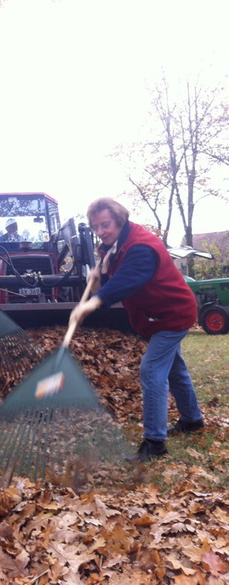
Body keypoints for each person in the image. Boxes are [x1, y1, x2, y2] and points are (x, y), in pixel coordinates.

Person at [70, 197, 204, 462]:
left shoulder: (142, 246)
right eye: (96, 227)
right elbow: (109, 282)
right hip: (154, 315)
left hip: (172, 313)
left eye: (105, 225)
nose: (101, 232)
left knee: (151, 369)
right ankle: (192, 420)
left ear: (120, 220)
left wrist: (91, 304)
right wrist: (95, 282)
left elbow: (126, 281)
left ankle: (155, 444)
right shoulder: (111, 248)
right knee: (175, 369)